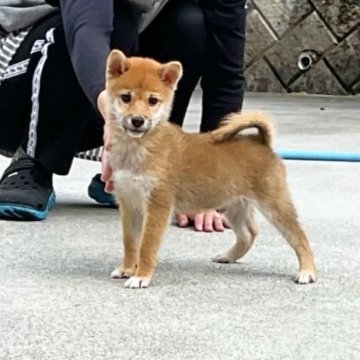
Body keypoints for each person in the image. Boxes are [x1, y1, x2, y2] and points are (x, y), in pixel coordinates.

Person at [0, 0, 246, 231]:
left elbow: (226, 69)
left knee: (189, 23)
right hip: (17, 78)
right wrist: (112, 116)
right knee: (120, 20)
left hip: (102, 91)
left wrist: (209, 184)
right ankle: (32, 159)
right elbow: (87, 26)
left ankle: (141, 168)